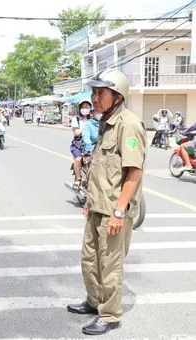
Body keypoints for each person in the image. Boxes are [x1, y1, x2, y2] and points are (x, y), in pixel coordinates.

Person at [67, 69, 146, 335]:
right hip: (96, 207)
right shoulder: (105, 122)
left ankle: (110, 314)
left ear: (117, 96)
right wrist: (89, 200)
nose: (95, 97)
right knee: (89, 260)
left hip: (114, 210)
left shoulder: (129, 125)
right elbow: (101, 168)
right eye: (94, 92)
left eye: (101, 93)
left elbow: (133, 172)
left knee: (110, 266)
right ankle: (94, 302)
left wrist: (118, 211)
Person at [70, 100, 92, 187]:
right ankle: (78, 179)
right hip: (78, 145)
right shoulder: (76, 120)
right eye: (83, 107)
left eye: (87, 107)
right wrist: (87, 128)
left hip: (90, 144)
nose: (85, 109)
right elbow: (77, 132)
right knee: (78, 159)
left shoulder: (92, 120)